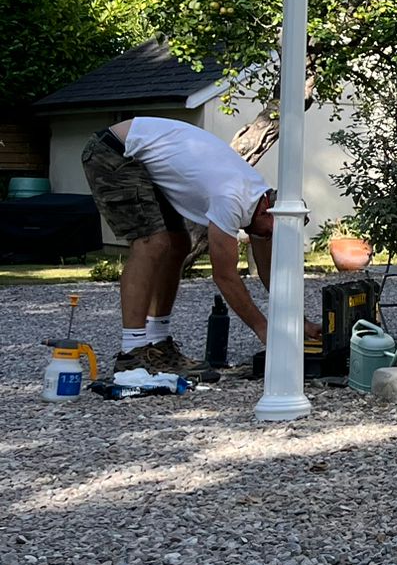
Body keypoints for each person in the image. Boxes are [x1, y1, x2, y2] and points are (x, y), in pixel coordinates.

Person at [79, 117, 316, 374]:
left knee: (179, 245)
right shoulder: (233, 197)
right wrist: (262, 328)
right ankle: (132, 353)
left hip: (142, 158)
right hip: (114, 151)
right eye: (273, 233)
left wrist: (299, 322)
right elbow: (225, 276)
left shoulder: (261, 203)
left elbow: (269, 272)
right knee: (152, 244)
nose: (271, 238)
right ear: (269, 212)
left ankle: (158, 344)